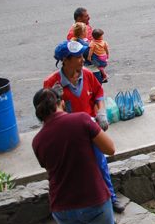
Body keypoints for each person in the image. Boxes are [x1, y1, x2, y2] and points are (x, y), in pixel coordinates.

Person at [31, 88, 120, 224]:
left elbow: (49, 167)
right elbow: (110, 148)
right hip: (94, 198)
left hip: (62, 206)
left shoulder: (37, 141)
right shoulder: (81, 119)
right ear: (61, 102)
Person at [44, 40, 127, 213]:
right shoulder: (52, 83)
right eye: (78, 57)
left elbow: (98, 94)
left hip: (90, 129)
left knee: (100, 164)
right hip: (68, 135)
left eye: (82, 56)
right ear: (65, 60)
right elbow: (46, 115)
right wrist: (54, 98)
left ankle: (110, 199)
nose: (82, 60)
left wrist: (101, 113)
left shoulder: (87, 75)